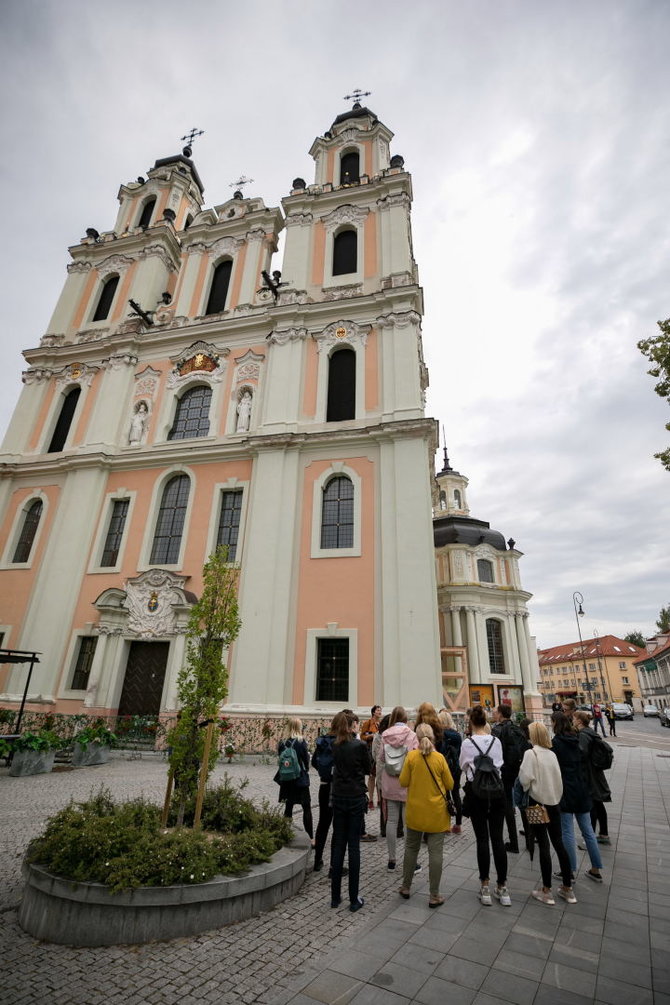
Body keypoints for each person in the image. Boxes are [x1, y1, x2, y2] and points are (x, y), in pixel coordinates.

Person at [518, 721, 577, 905]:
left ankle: (546, 890)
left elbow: (524, 780)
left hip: (537, 804)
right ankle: (568, 888)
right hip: (554, 803)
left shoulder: (531, 753)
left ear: (533, 735)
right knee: (559, 844)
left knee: (543, 845)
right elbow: (559, 779)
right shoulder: (552, 754)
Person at [460, 705, 511, 906]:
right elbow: (500, 762)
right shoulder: (496, 741)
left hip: (477, 792)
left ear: (471, 722)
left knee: (482, 839)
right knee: (498, 839)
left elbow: (463, 766)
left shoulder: (468, 743)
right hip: (497, 793)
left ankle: (485, 887)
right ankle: (503, 887)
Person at [398, 723, 453, 907]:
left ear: (417, 737)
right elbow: (451, 784)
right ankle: (434, 895)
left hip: (415, 811)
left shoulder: (412, 757)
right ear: (433, 737)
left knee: (411, 848)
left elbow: (403, 781)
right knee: (435, 852)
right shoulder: (439, 758)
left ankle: (406, 887)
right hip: (436, 812)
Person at [551, 712, 604, 883]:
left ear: (555, 724)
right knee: (588, 831)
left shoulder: (557, 743)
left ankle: (570, 871)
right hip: (583, 789)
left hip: (566, 790)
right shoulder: (578, 739)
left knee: (567, 831)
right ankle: (596, 869)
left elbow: (555, 769)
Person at [330, 710, 371, 912]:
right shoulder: (360, 746)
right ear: (350, 726)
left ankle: (335, 897)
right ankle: (354, 899)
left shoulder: (334, 745)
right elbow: (367, 769)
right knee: (353, 847)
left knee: (338, 844)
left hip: (338, 796)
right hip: (355, 797)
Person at [377, 706, 418, 869]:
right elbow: (415, 757)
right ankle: (409, 860)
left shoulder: (385, 734)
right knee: (408, 823)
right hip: (407, 782)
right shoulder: (411, 734)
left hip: (390, 782)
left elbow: (380, 757)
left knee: (392, 821)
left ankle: (391, 860)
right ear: (406, 719)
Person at [492, 704, 531, 854]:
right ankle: (529, 839)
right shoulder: (517, 729)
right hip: (519, 770)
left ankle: (513, 843)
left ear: (501, 714)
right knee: (522, 804)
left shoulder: (498, 730)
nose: (494, 714)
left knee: (508, 807)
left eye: (496, 712)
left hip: (505, 772)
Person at [573, 710, 612, 845]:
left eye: (574, 718)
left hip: (589, 773)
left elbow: (581, 753)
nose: (572, 720)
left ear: (579, 721)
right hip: (595, 772)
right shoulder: (591, 732)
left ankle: (589, 839)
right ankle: (604, 834)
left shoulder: (583, 735)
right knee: (598, 804)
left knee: (592, 805)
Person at [275, 717, 313, 843]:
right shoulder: (301, 742)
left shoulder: (282, 743)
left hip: (286, 779)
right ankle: (310, 837)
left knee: (288, 806)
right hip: (299, 779)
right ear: (299, 727)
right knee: (306, 807)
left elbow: (279, 759)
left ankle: (285, 834)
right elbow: (306, 760)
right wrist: (306, 769)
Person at [311, 715, 337, 873]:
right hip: (338, 788)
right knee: (338, 826)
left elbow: (314, 761)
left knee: (323, 824)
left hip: (324, 785)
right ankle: (335, 865)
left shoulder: (323, 740)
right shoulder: (342, 742)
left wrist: (324, 773)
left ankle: (317, 860)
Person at [437, 710, 463, 833]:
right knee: (456, 794)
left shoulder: (440, 735)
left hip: (443, 768)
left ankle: (446, 825)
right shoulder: (457, 736)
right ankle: (458, 825)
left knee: (445, 795)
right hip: (456, 768)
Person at [360, 705, 382, 809]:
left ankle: (380, 799)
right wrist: (371, 736)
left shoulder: (382, 724)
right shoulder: (367, 723)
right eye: (378, 710)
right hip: (370, 752)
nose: (380, 712)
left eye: (380, 710)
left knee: (380, 776)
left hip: (380, 752)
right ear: (373, 712)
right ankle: (371, 800)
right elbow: (362, 737)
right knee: (372, 776)